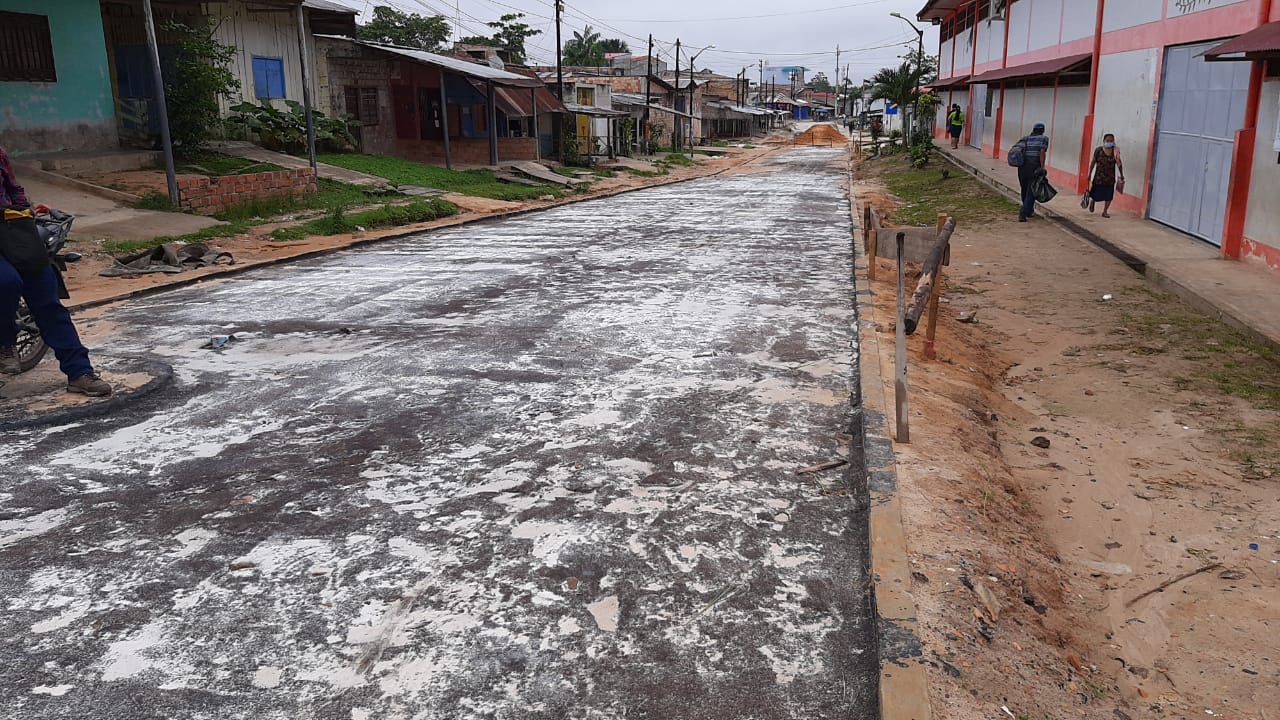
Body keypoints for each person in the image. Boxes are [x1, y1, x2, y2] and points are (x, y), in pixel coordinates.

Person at [0, 144, 112, 396]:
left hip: (14, 230)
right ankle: (5, 342)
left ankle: (79, 372)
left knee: (47, 300)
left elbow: (14, 189)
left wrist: (25, 213)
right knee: (6, 282)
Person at [1016, 122, 1050, 222]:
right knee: (1031, 192)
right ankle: (1023, 213)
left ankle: (1029, 210)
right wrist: (1042, 167)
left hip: (1022, 168)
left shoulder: (1026, 138)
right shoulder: (1044, 139)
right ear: (1042, 130)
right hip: (1034, 168)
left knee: (1024, 189)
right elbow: (1042, 152)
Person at [1086, 133, 1124, 218]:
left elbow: (1119, 163)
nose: (1110, 142)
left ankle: (1105, 211)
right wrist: (1089, 174)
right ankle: (1093, 201)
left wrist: (1121, 174)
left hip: (1110, 178)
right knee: (1095, 194)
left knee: (1109, 196)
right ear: (1104, 141)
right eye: (1108, 141)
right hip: (1099, 177)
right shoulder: (1098, 150)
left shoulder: (1115, 151)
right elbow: (1093, 162)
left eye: (1111, 141)